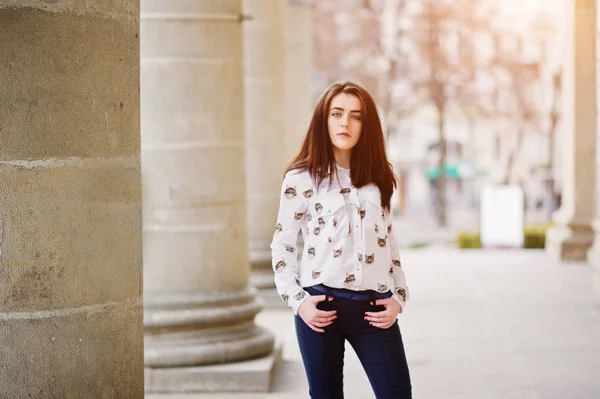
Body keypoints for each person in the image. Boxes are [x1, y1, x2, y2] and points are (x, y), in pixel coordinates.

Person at [270, 81, 412, 398]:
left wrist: (399, 298)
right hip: (320, 307)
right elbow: (283, 245)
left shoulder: (379, 178)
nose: (345, 123)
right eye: (337, 113)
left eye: (355, 116)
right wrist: (298, 302)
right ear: (324, 119)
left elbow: (389, 245)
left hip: (373, 310)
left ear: (366, 125)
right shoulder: (301, 178)